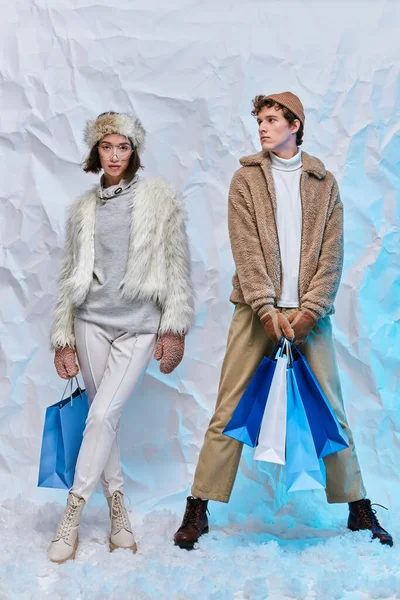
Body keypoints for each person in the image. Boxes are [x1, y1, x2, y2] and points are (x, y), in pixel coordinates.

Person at [173, 92, 393, 550]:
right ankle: (199, 506)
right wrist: (266, 309)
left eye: (272, 119)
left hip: (310, 316)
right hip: (257, 313)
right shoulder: (245, 180)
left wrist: (311, 310)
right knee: (229, 410)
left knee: (332, 410)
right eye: (260, 120)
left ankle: (357, 506)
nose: (263, 127)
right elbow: (246, 248)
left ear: (296, 124)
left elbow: (332, 254)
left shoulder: (323, 182)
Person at [48, 111, 194, 563]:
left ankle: (70, 515)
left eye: (123, 147)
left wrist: (174, 328)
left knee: (102, 415)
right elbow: (69, 274)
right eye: (107, 146)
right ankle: (117, 513)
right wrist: (63, 335)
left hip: (138, 326)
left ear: (134, 152)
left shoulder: (158, 198)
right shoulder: (84, 209)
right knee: (101, 418)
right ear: (96, 151)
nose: (114, 155)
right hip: (90, 321)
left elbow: (176, 266)